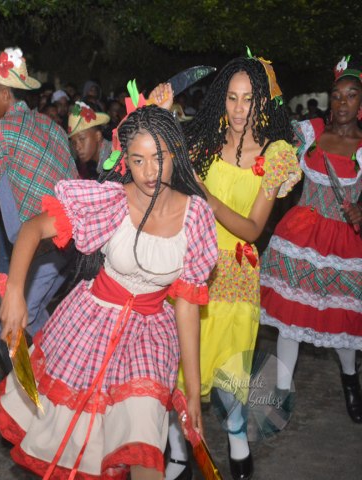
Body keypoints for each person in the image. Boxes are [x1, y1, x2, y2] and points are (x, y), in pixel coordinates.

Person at [0, 88, 218, 479]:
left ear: (175, 155)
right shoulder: (109, 202)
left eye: (159, 158)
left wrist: (192, 391)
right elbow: (33, 227)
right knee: (82, 446)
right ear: (125, 162)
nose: (149, 171)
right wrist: (14, 292)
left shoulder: (195, 216)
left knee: (144, 443)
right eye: (139, 160)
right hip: (89, 325)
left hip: (149, 337)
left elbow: (187, 306)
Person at [165, 54, 302, 480]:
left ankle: (238, 447)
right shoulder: (203, 141)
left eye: (249, 99)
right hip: (191, 268)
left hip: (237, 277)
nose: (239, 109)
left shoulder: (276, 156)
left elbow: (253, 228)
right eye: (232, 98)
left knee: (229, 376)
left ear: (264, 103)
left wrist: (205, 194)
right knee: (177, 369)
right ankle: (178, 454)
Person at [260, 55, 362, 424]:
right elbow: (273, 139)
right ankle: (280, 393)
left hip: (344, 246)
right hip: (301, 238)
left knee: (341, 322)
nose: (342, 102)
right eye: (336, 95)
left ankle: (350, 380)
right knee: (292, 319)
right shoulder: (312, 132)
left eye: (351, 95)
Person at [0, 47, 78, 370]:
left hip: (40, 246)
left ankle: (29, 408)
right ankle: (64, 385)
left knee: (6, 328)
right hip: (70, 246)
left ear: (4, 93)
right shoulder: (53, 127)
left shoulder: (0, 131)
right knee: (39, 320)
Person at [68, 101, 112, 179]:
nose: (77, 147)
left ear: (98, 136)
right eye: (74, 142)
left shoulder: (113, 160)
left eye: (82, 139)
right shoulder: (99, 162)